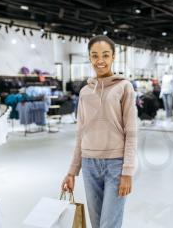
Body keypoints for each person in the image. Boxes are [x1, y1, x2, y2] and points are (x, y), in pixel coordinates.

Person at [61, 35, 137, 228]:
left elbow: (131, 132)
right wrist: (71, 171)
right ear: (90, 58)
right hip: (89, 165)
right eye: (95, 56)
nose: (100, 60)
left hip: (115, 165)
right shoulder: (85, 92)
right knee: (96, 224)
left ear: (113, 57)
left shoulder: (124, 87)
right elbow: (80, 133)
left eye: (105, 55)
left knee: (108, 224)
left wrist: (127, 171)